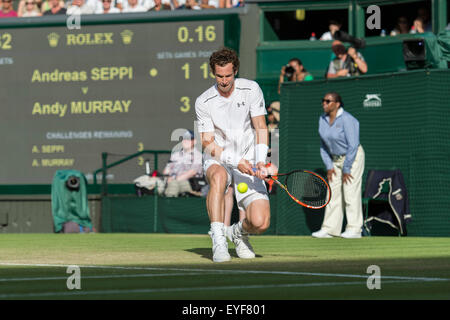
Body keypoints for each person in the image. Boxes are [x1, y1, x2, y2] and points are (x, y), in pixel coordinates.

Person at [195, 47, 272, 262]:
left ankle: (237, 233)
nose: (224, 80)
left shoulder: (252, 89)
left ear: (235, 70)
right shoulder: (203, 101)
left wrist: (260, 162)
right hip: (219, 157)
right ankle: (218, 238)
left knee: (261, 223)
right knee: (219, 177)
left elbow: (261, 127)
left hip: (249, 155)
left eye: (228, 75)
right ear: (213, 73)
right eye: (219, 76)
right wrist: (236, 161)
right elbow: (207, 142)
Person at [313, 92, 365, 239]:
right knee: (332, 193)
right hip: (334, 160)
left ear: (337, 104)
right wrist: (329, 166)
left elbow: (353, 145)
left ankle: (355, 229)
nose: (324, 103)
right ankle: (330, 229)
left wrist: (347, 168)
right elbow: (323, 145)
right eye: (323, 101)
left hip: (352, 158)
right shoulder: (322, 120)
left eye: (328, 101)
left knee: (350, 191)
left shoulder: (348, 120)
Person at [162, 130, 204, 197]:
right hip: (171, 181)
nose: (185, 141)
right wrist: (167, 178)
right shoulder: (175, 155)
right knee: (155, 184)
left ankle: (169, 205)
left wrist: (175, 179)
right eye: (184, 139)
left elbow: (192, 172)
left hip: (190, 183)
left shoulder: (198, 155)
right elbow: (166, 171)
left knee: (173, 185)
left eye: (188, 139)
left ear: (194, 141)